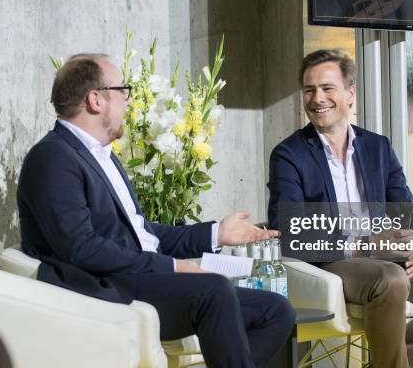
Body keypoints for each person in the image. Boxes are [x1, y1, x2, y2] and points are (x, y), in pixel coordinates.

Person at [18, 53, 295, 368]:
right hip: (105, 285)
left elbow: (140, 233)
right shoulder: (53, 158)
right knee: (214, 290)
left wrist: (216, 233)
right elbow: (81, 248)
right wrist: (173, 267)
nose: (128, 101)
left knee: (277, 311)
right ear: (96, 100)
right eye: (124, 91)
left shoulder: (101, 156)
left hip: (135, 276)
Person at [267, 49, 413, 368]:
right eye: (309, 90)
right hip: (335, 259)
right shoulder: (289, 155)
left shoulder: (376, 147)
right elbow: (290, 231)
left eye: (328, 88)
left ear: (349, 93)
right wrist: (363, 246)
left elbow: (409, 208)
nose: (317, 98)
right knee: (391, 278)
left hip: (388, 258)